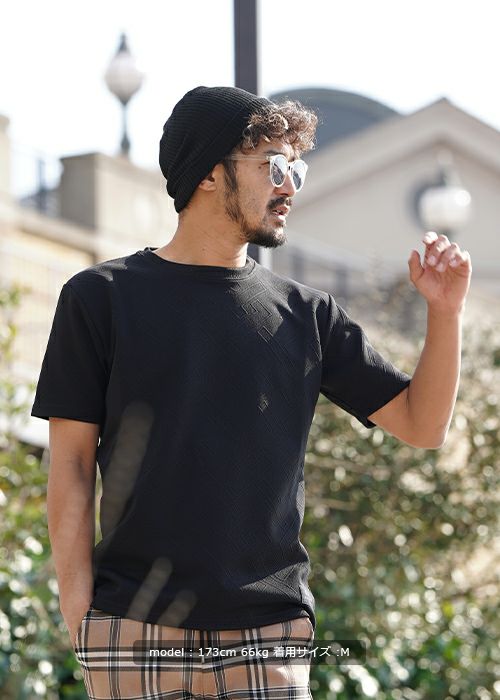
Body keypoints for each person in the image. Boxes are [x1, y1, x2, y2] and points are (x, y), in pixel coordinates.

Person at [31, 85, 472, 699]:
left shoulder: (308, 314)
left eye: (296, 169)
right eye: (274, 166)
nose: (290, 187)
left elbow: (423, 426)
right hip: (132, 630)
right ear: (210, 173)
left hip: (268, 636)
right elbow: (72, 466)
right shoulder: (99, 298)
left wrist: (444, 314)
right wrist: (82, 617)